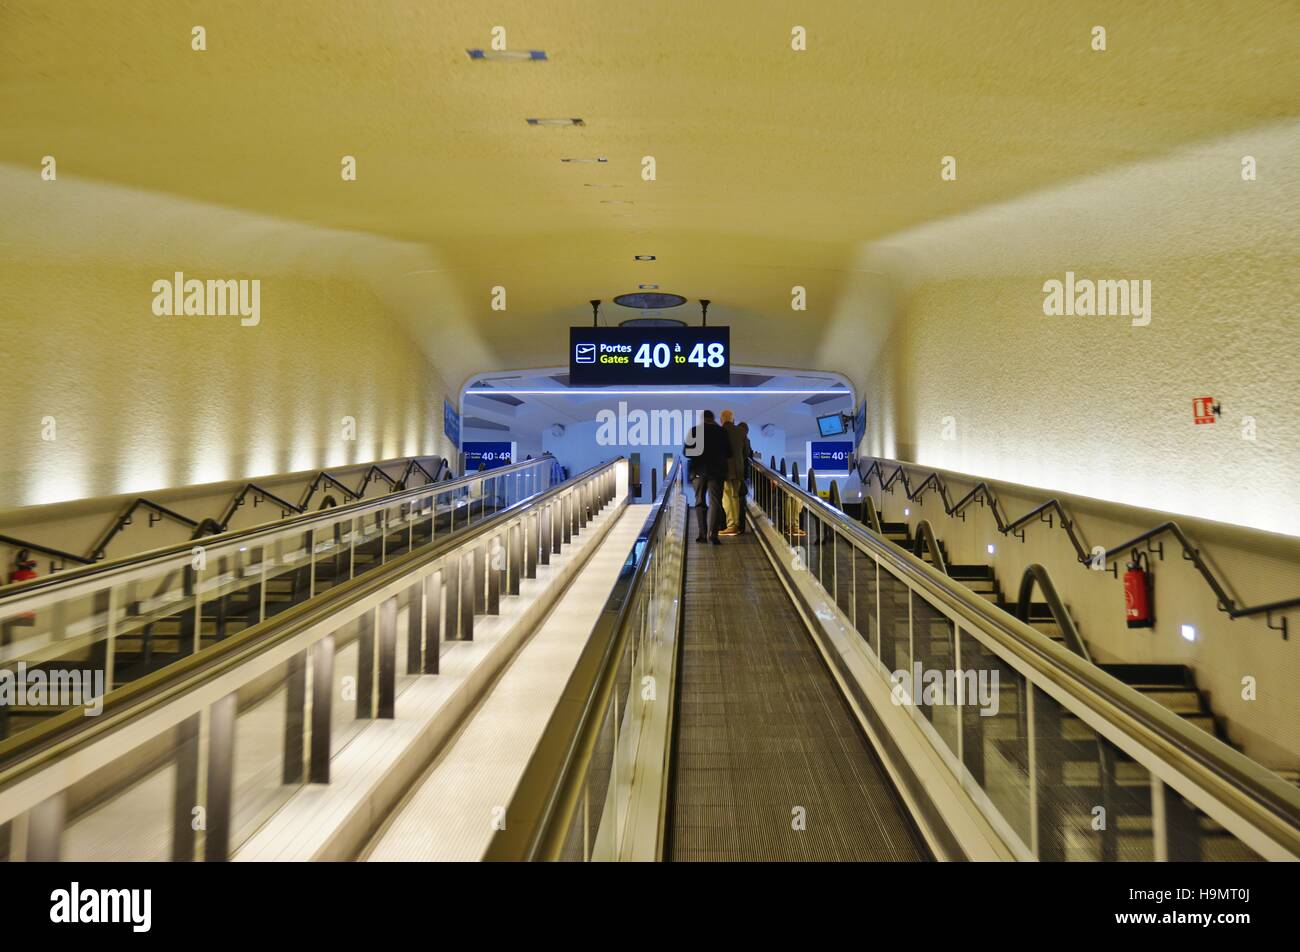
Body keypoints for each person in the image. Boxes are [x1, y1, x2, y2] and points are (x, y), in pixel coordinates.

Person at [685, 410, 731, 544]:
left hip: (698, 471)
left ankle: (702, 535)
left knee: (699, 501)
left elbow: (686, 452)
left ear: (702, 419)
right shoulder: (721, 432)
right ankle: (714, 535)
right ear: (713, 418)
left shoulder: (694, 431)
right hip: (717, 473)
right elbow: (729, 453)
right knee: (715, 502)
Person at [718, 409, 751, 536]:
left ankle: (731, 526)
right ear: (733, 419)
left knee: (726, 498)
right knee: (735, 497)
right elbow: (746, 453)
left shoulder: (720, 432)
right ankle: (736, 525)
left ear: (721, 420)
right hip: (739, 470)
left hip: (726, 470)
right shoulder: (741, 431)